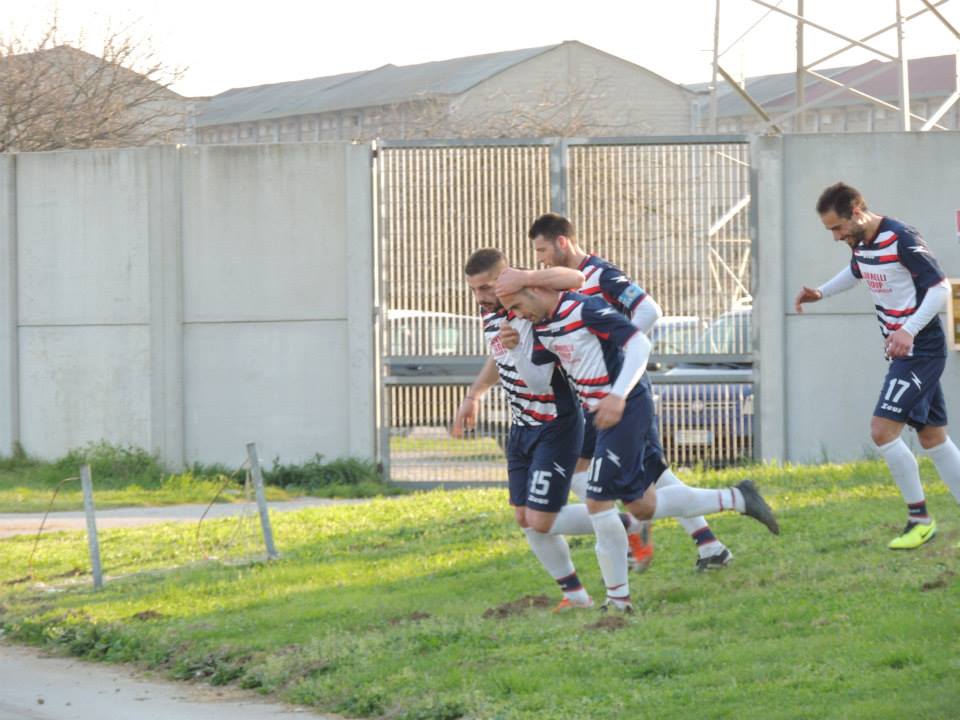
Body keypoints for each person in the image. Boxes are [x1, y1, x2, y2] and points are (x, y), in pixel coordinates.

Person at [497, 281, 779, 613]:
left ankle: (618, 603)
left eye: (516, 305)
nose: (516, 314)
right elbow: (539, 382)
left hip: (627, 407)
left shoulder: (585, 308)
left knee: (598, 502)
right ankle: (737, 497)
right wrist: (515, 349)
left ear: (535, 290)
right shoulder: (542, 326)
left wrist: (618, 395)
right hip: (596, 414)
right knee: (642, 506)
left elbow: (640, 344)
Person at [496, 213, 733, 571]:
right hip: (592, 397)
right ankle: (637, 529)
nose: (540, 259)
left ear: (562, 242)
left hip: (623, 391)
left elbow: (650, 311)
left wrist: (615, 355)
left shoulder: (602, 274)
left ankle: (705, 538)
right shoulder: (556, 283)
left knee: (651, 477)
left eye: (542, 250)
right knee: (588, 466)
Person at [453, 248, 649, 611]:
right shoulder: (491, 315)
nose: (480, 297)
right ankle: (576, 594)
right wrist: (475, 394)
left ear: (507, 279)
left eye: (486, 288)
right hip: (521, 424)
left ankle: (621, 527)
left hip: (555, 422)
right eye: (474, 290)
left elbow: (575, 280)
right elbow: (499, 357)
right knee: (525, 518)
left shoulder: (531, 299)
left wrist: (526, 278)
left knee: (543, 518)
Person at [795, 181, 960, 550]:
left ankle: (920, 519)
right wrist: (820, 291)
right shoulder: (861, 243)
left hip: (921, 348)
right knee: (933, 438)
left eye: (837, 227)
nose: (836, 236)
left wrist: (907, 330)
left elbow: (938, 289)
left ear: (857, 211)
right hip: (904, 350)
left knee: (882, 431)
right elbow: (856, 272)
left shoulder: (900, 237)